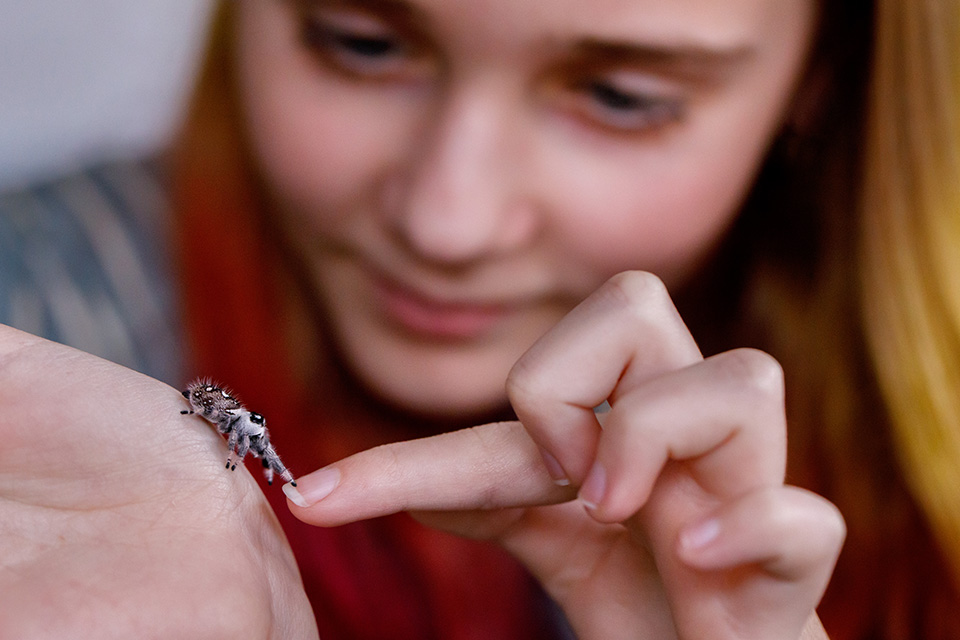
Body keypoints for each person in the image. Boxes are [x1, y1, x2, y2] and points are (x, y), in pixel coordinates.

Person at [0, 0, 957, 638]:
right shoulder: (38, 318)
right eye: (363, 44)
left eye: (620, 97)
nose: (444, 222)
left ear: (819, 82)